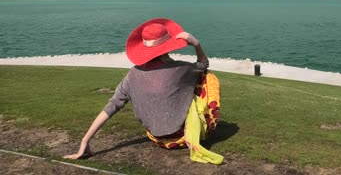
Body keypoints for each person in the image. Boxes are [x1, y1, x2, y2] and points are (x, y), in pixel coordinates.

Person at [64, 18, 223, 164]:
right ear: (167, 45)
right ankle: (193, 124)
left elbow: (112, 106)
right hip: (182, 137)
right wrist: (196, 43)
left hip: (156, 138)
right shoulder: (180, 69)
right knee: (208, 78)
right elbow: (204, 64)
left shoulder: (133, 74)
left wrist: (85, 141)